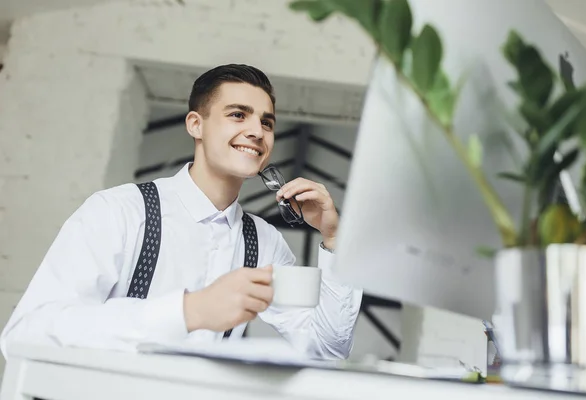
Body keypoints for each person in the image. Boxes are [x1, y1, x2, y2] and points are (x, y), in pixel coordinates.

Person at [0, 64, 362, 361]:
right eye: (238, 115)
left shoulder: (265, 243)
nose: (257, 131)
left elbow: (327, 349)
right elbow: (26, 334)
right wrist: (188, 312)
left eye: (267, 122)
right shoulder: (119, 211)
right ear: (196, 125)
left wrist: (334, 239)